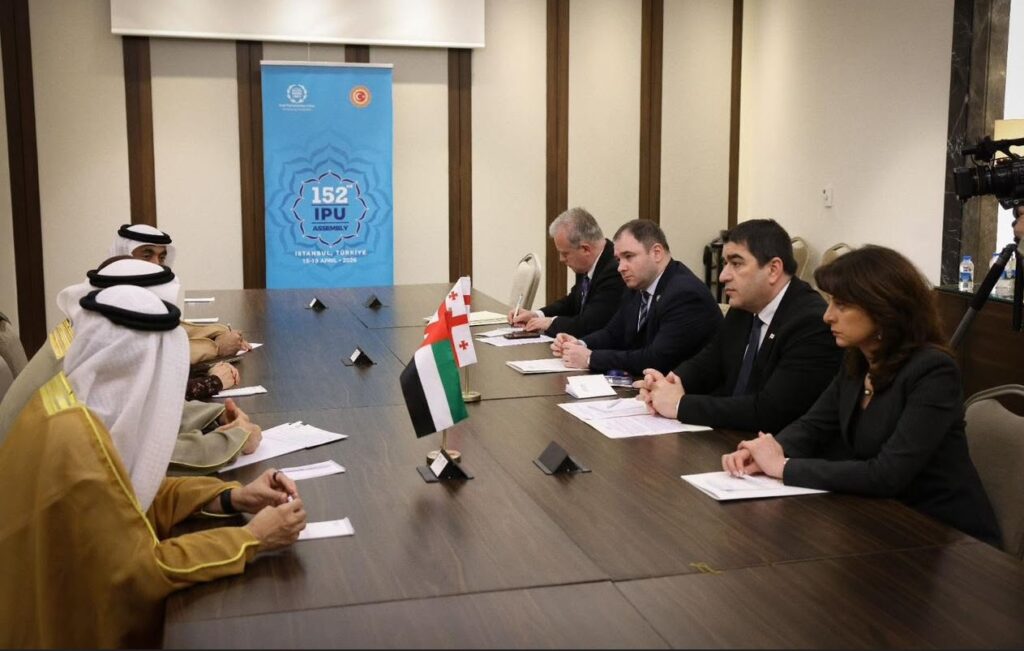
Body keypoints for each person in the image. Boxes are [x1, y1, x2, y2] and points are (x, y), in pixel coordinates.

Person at [0, 285, 306, 647]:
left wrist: (230, 497)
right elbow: (142, 571)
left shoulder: (74, 406)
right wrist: (251, 539)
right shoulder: (76, 443)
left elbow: (130, 495)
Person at [722, 246, 1001, 546]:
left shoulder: (933, 371)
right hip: (881, 520)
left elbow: (887, 474)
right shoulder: (858, 360)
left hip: (946, 537)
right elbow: (813, 426)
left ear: (883, 310)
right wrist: (769, 449)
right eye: (830, 302)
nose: (827, 316)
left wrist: (783, 466)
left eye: (841, 305)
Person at [0, 259, 261, 471]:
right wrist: (232, 440)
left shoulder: (87, 339)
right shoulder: (79, 368)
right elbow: (135, 455)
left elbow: (142, 408)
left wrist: (213, 417)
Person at [636, 219, 841, 433]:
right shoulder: (744, 308)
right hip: (732, 437)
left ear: (773, 269)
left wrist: (679, 405)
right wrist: (668, 384)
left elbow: (771, 411)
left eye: (736, 264)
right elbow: (708, 363)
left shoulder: (811, 322)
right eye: (725, 263)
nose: (723, 276)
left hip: (775, 443)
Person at [551, 219, 721, 376]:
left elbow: (656, 359)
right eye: (619, 259)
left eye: (629, 257)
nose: (621, 267)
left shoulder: (684, 293)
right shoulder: (638, 286)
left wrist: (590, 358)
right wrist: (579, 344)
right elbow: (613, 333)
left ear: (656, 253)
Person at [111, 223, 253, 363]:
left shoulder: (143, 291)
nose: (157, 264)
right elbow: (158, 354)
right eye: (147, 256)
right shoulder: (115, 299)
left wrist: (221, 332)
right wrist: (217, 347)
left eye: (161, 257)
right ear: (124, 256)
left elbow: (174, 330)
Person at [509, 207, 625, 337]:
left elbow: (590, 324)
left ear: (585, 249)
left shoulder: (615, 270)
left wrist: (551, 323)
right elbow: (572, 302)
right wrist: (537, 315)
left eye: (565, 254)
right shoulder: (587, 264)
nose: (561, 259)